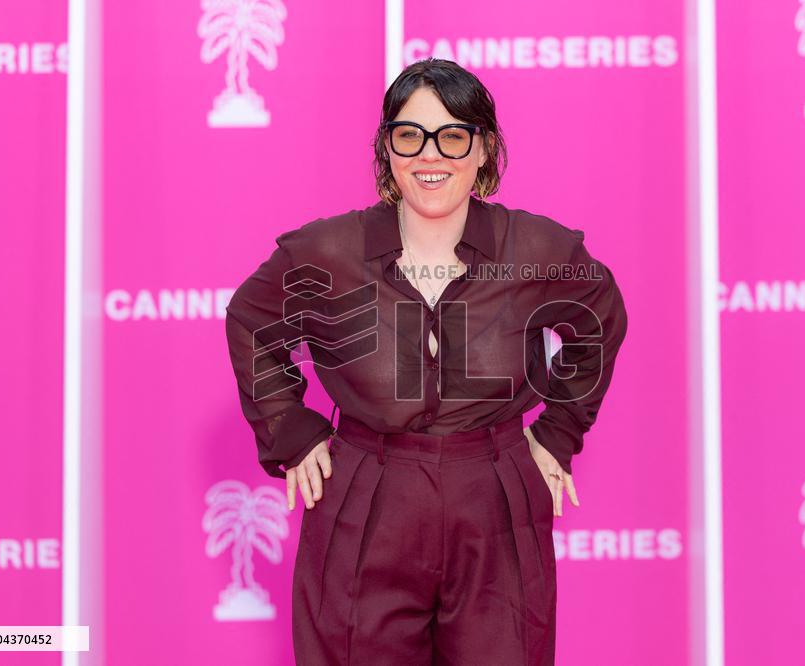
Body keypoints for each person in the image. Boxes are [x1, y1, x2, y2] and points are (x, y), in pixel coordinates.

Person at [224, 58, 628, 665]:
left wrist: (559, 430)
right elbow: (251, 320)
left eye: (453, 136)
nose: (429, 155)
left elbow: (599, 320)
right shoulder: (329, 251)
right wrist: (293, 430)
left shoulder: (537, 248)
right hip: (366, 491)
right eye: (409, 135)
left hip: (494, 494)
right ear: (387, 149)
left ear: (485, 150)